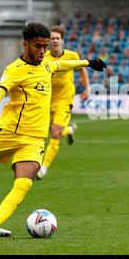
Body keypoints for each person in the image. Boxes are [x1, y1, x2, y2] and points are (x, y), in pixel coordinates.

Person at [0, 22, 106, 237]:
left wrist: (88, 62)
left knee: (24, 183)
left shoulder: (46, 64)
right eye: (38, 46)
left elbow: (62, 65)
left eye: (45, 46)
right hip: (10, 133)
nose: (42, 51)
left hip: (35, 139)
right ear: (25, 44)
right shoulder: (14, 69)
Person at [37, 25, 91, 180]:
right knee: (52, 131)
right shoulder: (43, 57)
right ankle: (70, 131)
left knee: (54, 133)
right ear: (48, 41)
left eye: (57, 38)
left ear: (62, 40)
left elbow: (82, 69)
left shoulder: (72, 56)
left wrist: (87, 88)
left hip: (64, 101)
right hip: (46, 101)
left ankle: (44, 167)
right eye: (52, 38)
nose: (54, 41)